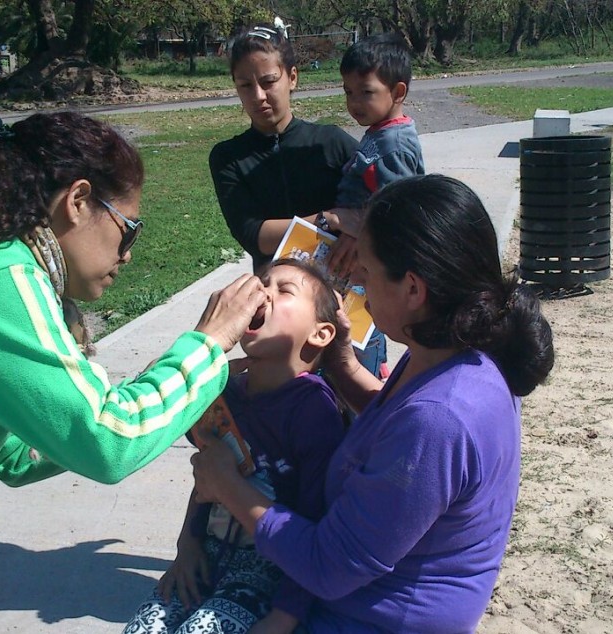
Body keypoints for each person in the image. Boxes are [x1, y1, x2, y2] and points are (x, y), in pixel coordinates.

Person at [0, 112, 267, 633]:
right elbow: (109, 442)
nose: (128, 256)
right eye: (129, 230)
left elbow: (17, 454)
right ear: (78, 201)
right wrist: (210, 344)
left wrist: (145, 395)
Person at [190, 174, 555, 634]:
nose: (355, 281)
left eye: (365, 269)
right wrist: (342, 362)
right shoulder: (455, 352)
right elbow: (391, 421)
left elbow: (327, 566)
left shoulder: (442, 418)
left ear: (413, 289)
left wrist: (228, 486)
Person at [125, 259, 346, 634]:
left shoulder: (314, 411)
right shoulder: (223, 390)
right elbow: (207, 473)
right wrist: (187, 545)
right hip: (206, 556)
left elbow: (316, 517)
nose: (262, 293)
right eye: (262, 282)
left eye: (283, 290)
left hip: (269, 571)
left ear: (320, 334)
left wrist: (285, 616)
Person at [208, 24, 357, 274]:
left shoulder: (330, 142)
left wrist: (357, 233)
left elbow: (385, 198)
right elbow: (253, 235)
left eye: (268, 81)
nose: (258, 96)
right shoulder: (228, 157)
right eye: (245, 85)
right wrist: (328, 219)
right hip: (277, 290)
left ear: (292, 78)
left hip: (341, 287)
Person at [323, 32, 427, 378]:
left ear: (398, 92)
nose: (355, 102)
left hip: (369, 262)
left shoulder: (393, 144)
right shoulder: (381, 131)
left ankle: (368, 380)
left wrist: (355, 228)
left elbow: (398, 211)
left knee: (359, 327)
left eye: (366, 92)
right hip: (360, 259)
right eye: (348, 92)